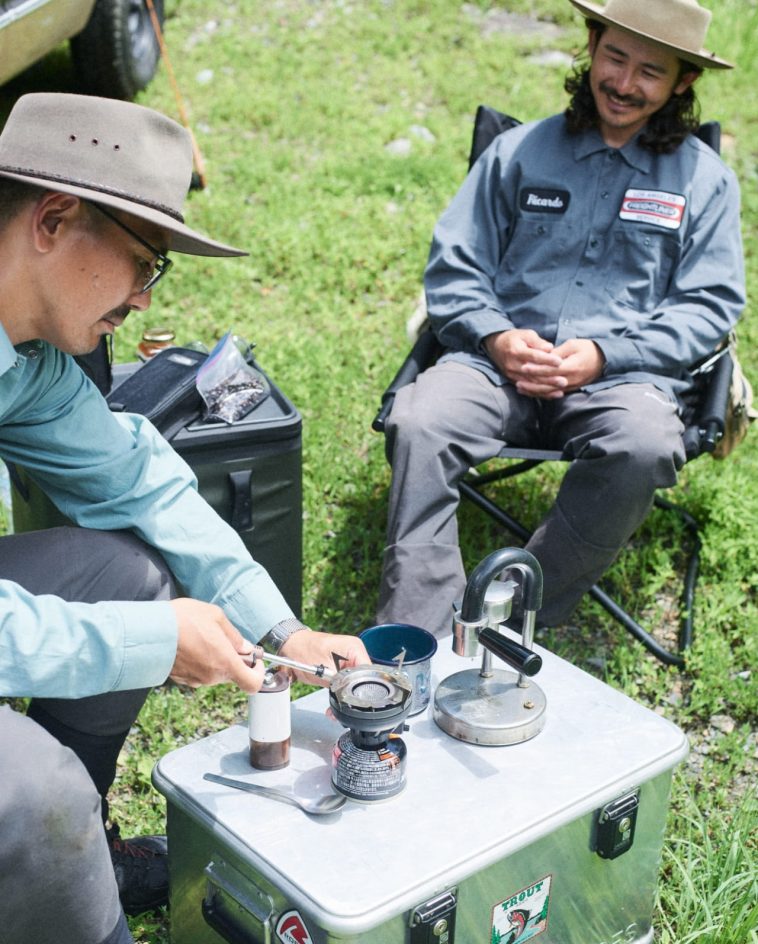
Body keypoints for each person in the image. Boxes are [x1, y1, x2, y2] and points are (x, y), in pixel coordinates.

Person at [0, 92, 369, 944]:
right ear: (53, 220)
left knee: (124, 576)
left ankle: (71, 855)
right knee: (34, 787)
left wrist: (281, 627)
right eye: (144, 260)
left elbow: (145, 485)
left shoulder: (30, 360)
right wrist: (149, 640)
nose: (141, 298)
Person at [377, 0, 745, 638]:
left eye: (650, 72)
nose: (624, 84)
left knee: (644, 444)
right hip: (494, 367)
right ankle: (420, 634)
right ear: (591, 44)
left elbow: (708, 305)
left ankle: (514, 611)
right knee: (419, 420)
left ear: (683, 82)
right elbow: (454, 270)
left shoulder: (705, 181)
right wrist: (495, 336)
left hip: (624, 381)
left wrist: (605, 355)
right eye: (615, 57)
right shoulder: (516, 152)